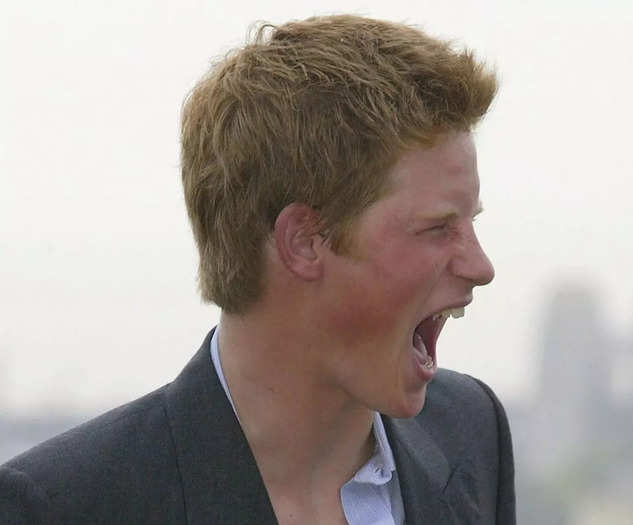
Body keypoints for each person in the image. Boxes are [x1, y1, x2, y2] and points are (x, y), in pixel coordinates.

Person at [0, 14, 515, 525]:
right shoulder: (61, 507)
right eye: (437, 228)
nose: (481, 266)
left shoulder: (471, 431)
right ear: (304, 242)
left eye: (471, 223)